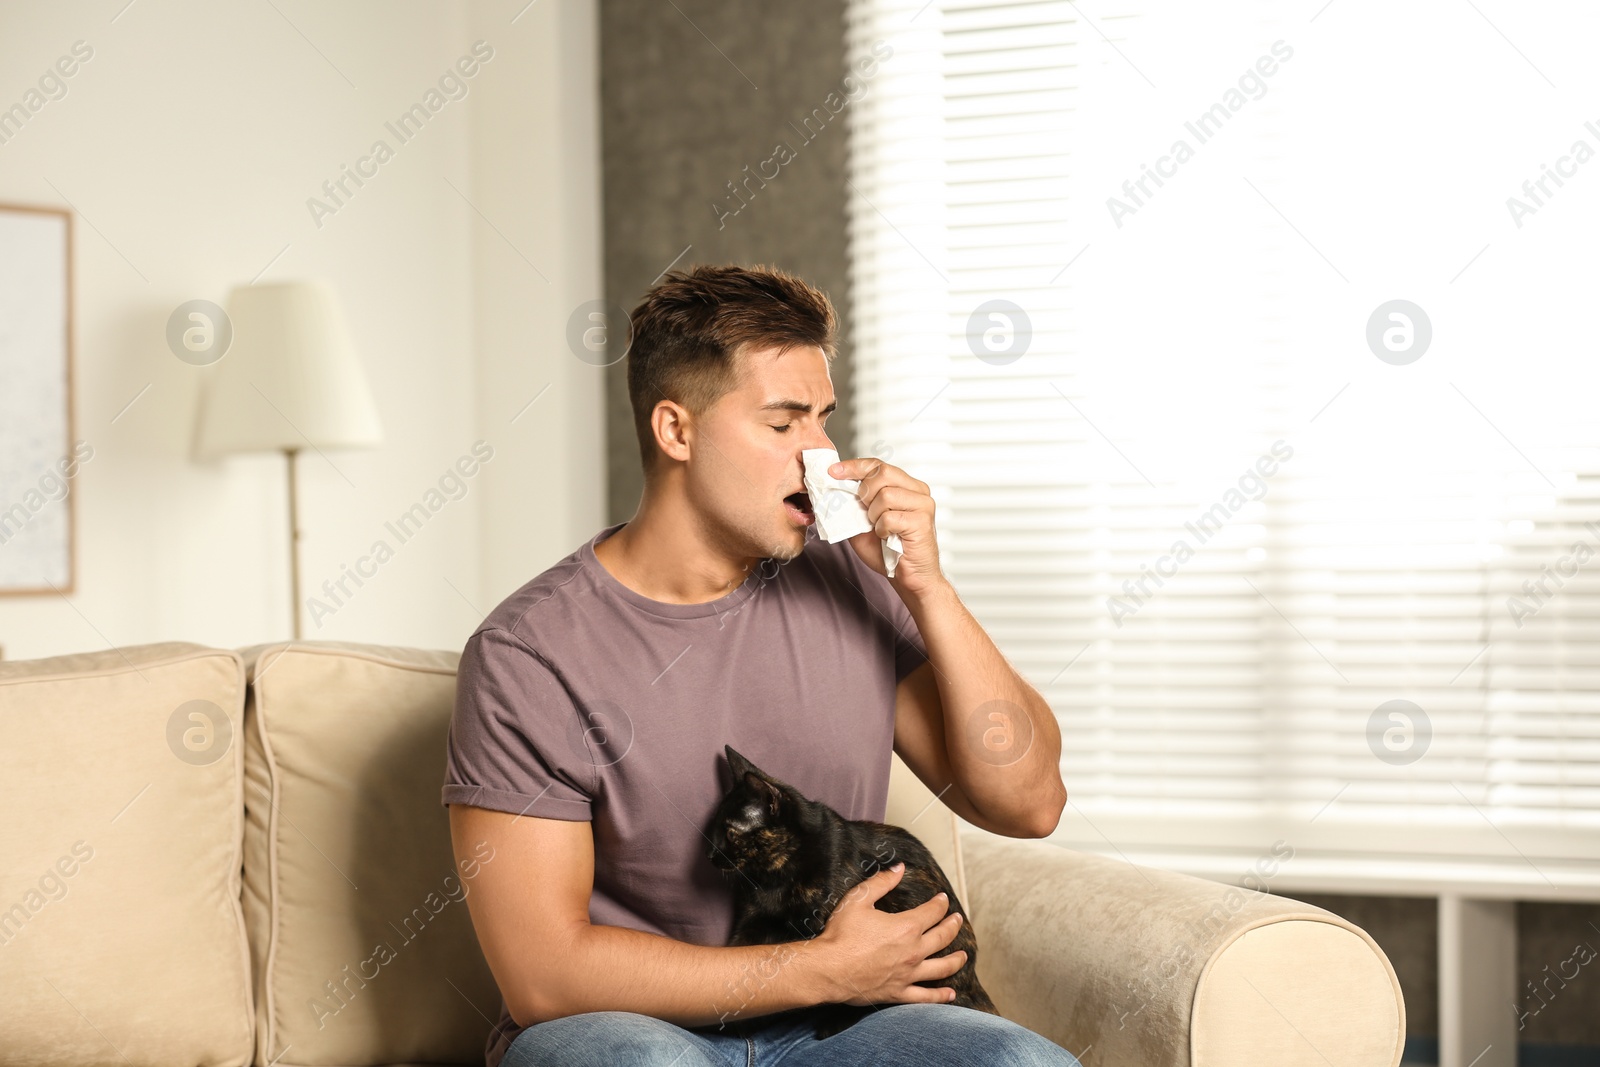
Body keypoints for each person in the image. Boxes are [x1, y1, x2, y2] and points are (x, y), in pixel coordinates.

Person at [441, 264, 1076, 1067]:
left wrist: (927, 587)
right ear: (677, 431)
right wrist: (818, 965)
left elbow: (1028, 803)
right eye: (783, 425)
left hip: (848, 1024)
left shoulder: (856, 582)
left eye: (824, 420)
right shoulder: (529, 655)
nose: (822, 456)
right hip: (630, 1027)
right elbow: (544, 976)